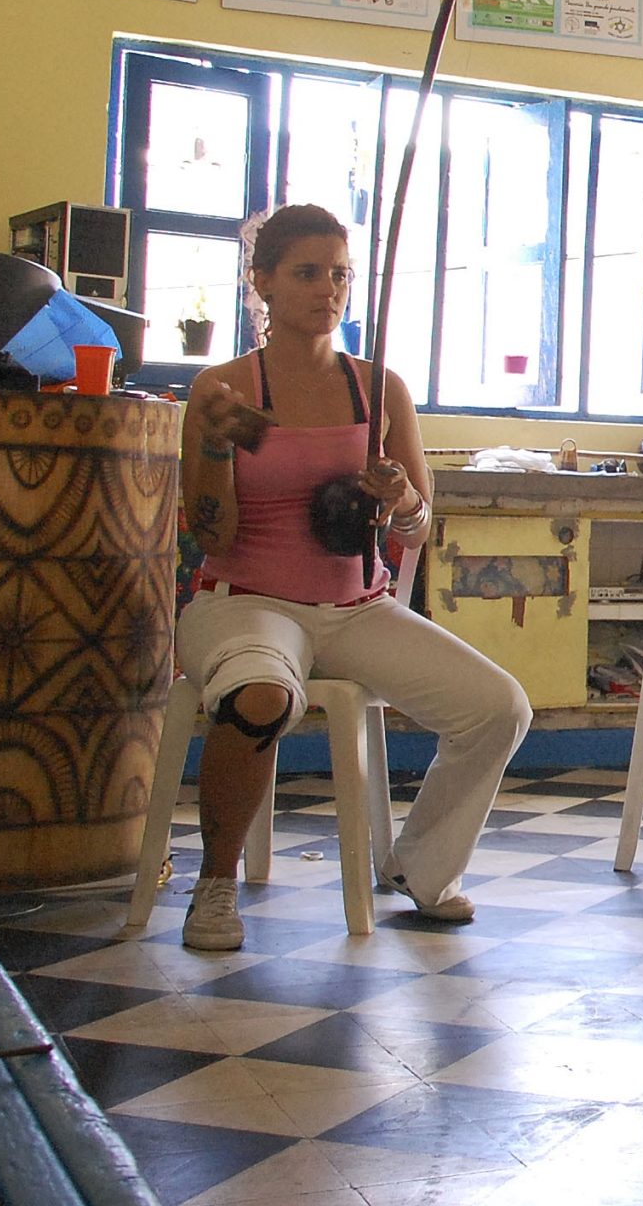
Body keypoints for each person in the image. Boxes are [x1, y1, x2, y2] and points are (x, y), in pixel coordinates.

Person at [174, 205, 529, 953]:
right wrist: (212, 443)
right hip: (244, 602)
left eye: (340, 274)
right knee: (262, 696)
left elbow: (417, 526)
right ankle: (214, 885)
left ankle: (424, 871)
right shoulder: (226, 391)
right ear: (262, 281)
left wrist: (398, 496)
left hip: (354, 607)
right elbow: (212, 535)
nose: (327, 289)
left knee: (497, 706)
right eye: (307, 273)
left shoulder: (378, 391)